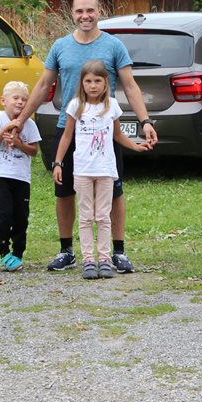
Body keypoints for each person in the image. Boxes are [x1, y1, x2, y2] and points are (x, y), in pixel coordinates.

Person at [9, 0, 158, 273]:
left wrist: (146, 121)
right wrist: (21, 120)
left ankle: (118, 252)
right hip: (69, 129)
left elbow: (130, 86)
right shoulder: (60, 46)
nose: (85, 16)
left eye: (90, 10)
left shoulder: (114, 46)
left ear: (99, 12)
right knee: (64, 191)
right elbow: (43, 86)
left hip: (103, 134)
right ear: (72, 13)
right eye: (79, 11)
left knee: (114, 191)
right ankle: (67, 250)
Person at [52, 60, 149, 279]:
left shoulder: (112, 105)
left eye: (97, 81)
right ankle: (88, 260)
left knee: (103, 216)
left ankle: (104, 259)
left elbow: (118, 135)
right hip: (82, 170)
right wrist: (58, 162)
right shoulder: (75, 105)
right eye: (88, 81)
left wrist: (136, 146)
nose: (93, 85)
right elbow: (67, 136)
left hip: (105, 170)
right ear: (82, 83)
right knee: (86, 216)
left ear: (106, 83)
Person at [0, 81, 41, 272]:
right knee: (4, 215)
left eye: (24, 99)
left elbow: (34, 151)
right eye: (16, 98)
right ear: (4, 100)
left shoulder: (30, 124)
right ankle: (3, 251)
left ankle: (18, 253)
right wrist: (6, 129)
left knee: (21, 217)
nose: (20, 102)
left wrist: (18, 143)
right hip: (1, 175)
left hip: (21, 177)